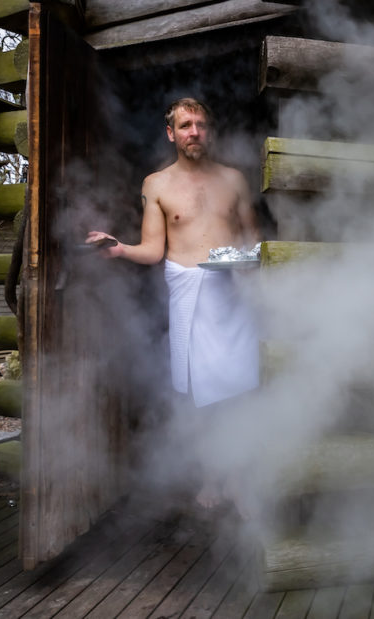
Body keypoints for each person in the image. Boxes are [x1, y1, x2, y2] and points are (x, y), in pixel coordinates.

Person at [86, 97, 260, 508]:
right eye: (185, 125)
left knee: (238, 390)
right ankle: (212, 479)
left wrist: (249, 269)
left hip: (232, 296)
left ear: (209, 130)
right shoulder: (156, 185)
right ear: (171, 133)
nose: (194, 132)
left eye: (200, 124)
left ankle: (236, 477)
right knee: (198, 394)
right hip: (190, 294)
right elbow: (152, 249)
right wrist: (119, 250)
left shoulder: (234, 180)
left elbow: (253, 242)